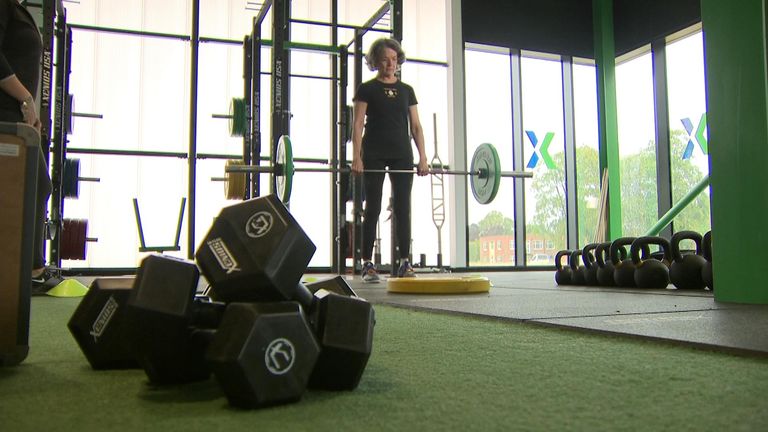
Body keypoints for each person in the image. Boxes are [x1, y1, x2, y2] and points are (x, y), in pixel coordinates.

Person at [351, 38, 428, 282]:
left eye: (394, 59)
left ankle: (405, 262)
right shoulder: (367, 89)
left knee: (403, 207)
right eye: (385, 59)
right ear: (376, 61)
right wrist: (356, 157)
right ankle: (367, 263)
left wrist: (423, 157)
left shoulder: (407, 91)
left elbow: (415, 126)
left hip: (402, 153)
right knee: (372, 206)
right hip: (373, 152)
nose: (390, 64)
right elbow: (357, 124)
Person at [1, 0, 55, 293]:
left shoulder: (18, 8)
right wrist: (26, 100)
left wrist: (32, 111)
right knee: (35, 186)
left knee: (37, 187)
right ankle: (29, 269)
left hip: (19, 117)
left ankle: (30, 268)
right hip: (6, 115)